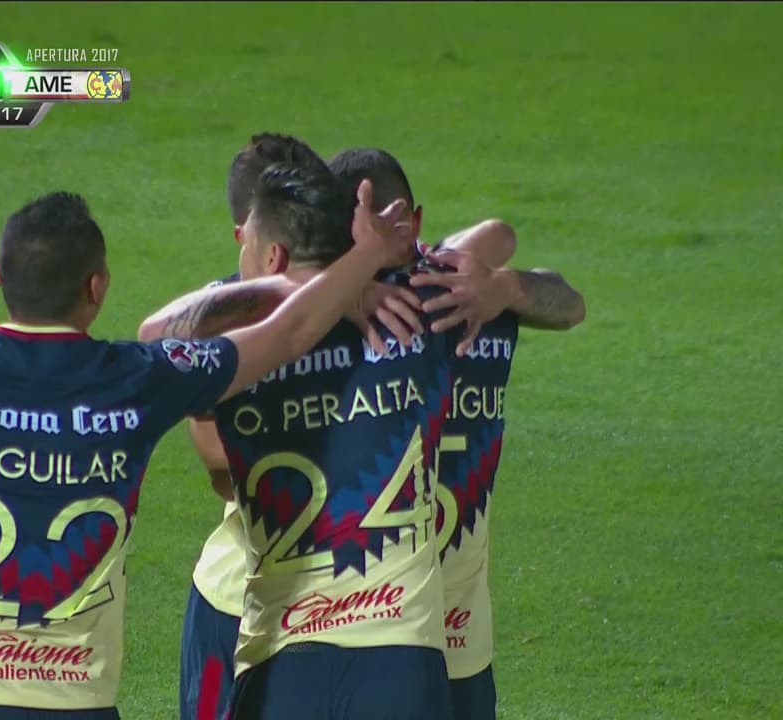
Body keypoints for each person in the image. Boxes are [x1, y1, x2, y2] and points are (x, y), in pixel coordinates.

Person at [0, 176, 412, 719]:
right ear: (97, 287)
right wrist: (363, 258)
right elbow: (288, 333)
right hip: (77, 704)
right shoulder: (138, 380)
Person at [170, 134, 520, 720]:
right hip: (255, 601)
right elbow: (221, 468)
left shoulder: (244, 333)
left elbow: (495, 237)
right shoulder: (393, 313)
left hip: (285, 614)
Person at [330, 148, 586, 720]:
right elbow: (534, 270)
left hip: (429, 627)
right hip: (377, 622)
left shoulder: (460, 290)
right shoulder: (329, 315)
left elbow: (568, 302)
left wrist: (506, 286)